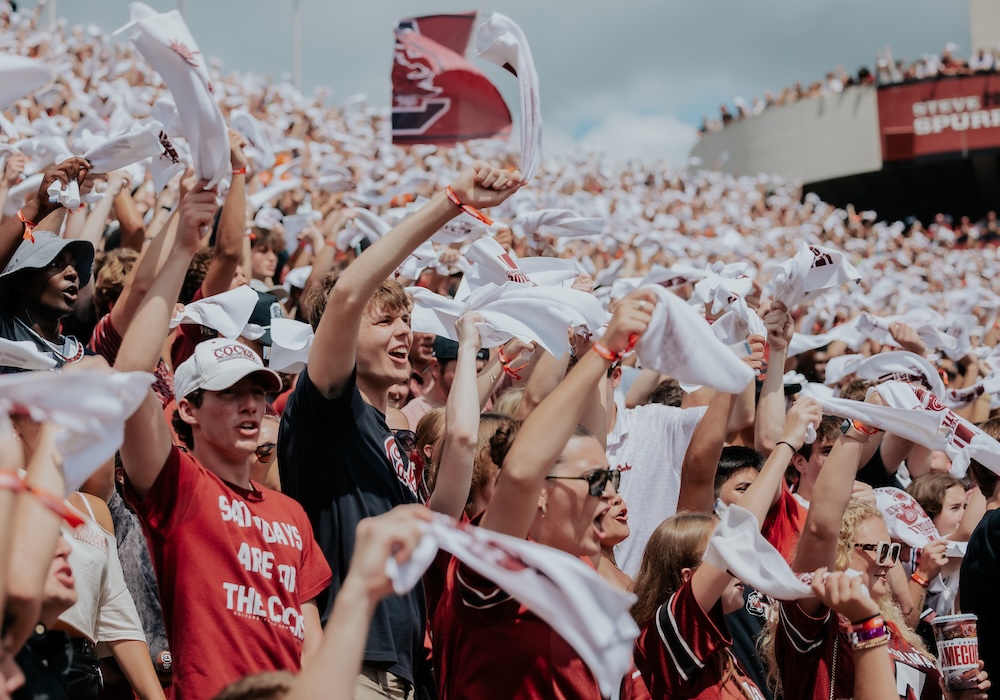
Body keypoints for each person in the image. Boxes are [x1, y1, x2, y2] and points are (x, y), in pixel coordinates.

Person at [277, 162, 521, 699]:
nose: (403, 334)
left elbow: (455, 462)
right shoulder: (325, 413)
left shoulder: (393, 440)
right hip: (350, 665)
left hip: (407, 674)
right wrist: (451, 201)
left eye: (405, 322)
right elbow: (343, 298)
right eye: (384, 321)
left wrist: (476, 346)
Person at [114, 184, 332, 700]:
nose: (252, 404)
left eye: (259, 391)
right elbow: (125, 382)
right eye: (231, 393)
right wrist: (185, 250)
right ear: (187, 409)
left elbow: (312, 641)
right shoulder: (180, 487)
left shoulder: (291, 515)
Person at [431, 289, 653, 699]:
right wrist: (603, 351)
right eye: (595, 483)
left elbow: (588, 447)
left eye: (610, 480)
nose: (609, 497)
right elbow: (520, 468)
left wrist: (593, 360)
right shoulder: (492, 571)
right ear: (541, 494)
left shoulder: (583, 578)